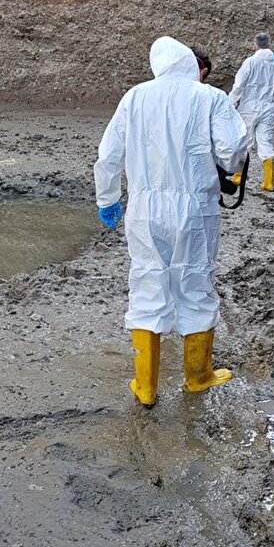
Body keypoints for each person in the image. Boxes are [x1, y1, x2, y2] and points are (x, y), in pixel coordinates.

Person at [95, 36, 249, 407]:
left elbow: (109, 153)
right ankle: (197, 377)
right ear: (189, 63)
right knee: (195, 283)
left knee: (147, 283)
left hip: (145, 209)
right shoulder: (210, 97)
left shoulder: (135, 97)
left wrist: (108, 199)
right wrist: (230, 169)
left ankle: (145, 386)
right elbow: (232, 150)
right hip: (195, 209)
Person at [229, 32, 274, 191]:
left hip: (249, 107)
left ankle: (239, 176)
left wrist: (230, 103)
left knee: (244, 141)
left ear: (254, 45)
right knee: (265, 142)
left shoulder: (250, 62)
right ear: (269, 44)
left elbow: (239, 85)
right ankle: (269, 182)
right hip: (268, 108)